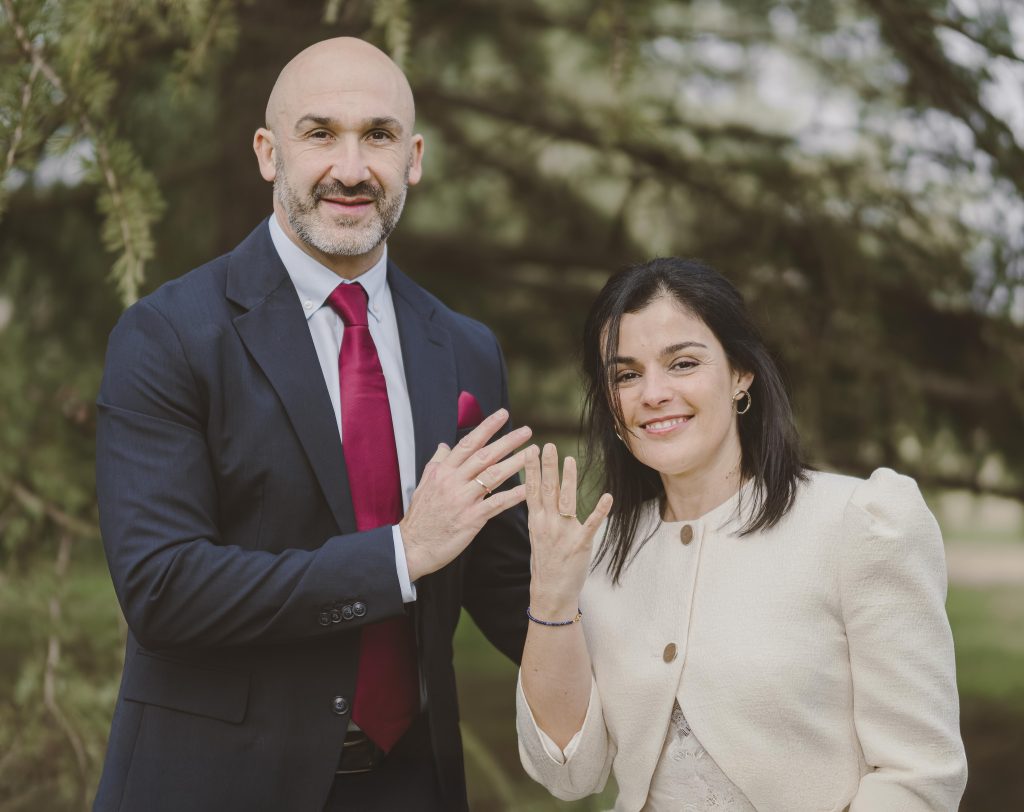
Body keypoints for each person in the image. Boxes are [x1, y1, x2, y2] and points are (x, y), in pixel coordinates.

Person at [93, 37, 533, 812]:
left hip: (412, 785)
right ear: (269, 153)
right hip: (215, 784)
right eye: (320, 133)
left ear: (416, 157)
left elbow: (504, 584)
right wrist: (399, 554)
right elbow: (164, 591)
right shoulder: (168, 334)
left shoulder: (465, 349)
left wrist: (661, 652)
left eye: (380, 136)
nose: (353, 168)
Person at [516, 257, 968, 811]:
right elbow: (568, 774)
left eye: (682, 363)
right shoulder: (599, 550)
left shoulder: (859, 522)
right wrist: (552, 598)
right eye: (626, 374)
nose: (652, 393)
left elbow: (918, 774)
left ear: (740, 373)